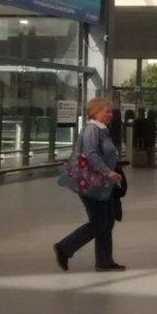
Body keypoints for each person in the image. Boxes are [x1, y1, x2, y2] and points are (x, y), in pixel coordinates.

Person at [53, 97, 126, 272]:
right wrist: (107, 172)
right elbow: (91, 154)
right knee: (100, 221)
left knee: (107, 221)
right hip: (92, 183)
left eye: (111, 111)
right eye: (106, 111)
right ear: (95, 112)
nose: (110, 115)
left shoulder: (102, 130)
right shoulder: (92, 130)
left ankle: (104, 260)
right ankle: (65, 247)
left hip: (103, 183)